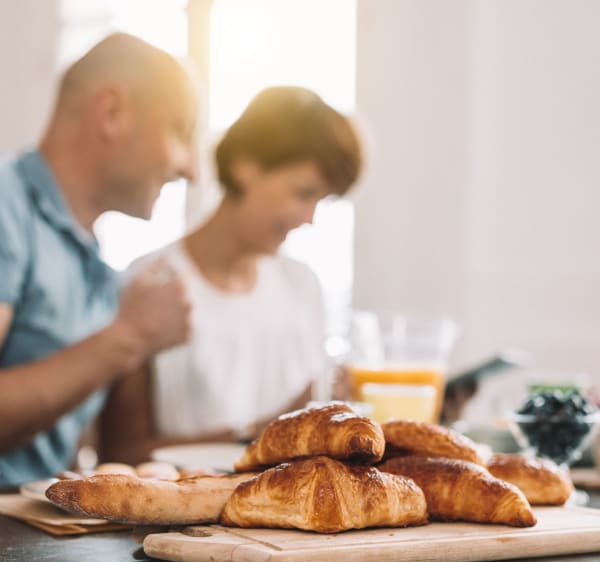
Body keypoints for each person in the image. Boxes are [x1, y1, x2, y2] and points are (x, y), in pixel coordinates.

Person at [100, 86, 362, 464]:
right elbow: (122, 454)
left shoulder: (302, 286)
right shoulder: (150, 283)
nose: (310, 218)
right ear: (246, 165)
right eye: (304, 193)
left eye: (321, 201)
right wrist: (269, 431)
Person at [0, 33, 199, 486]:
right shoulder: (5, 203)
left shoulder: (96, 267)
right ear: (112, 113)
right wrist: (130, 336)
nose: (193, 170)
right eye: (181, 132)